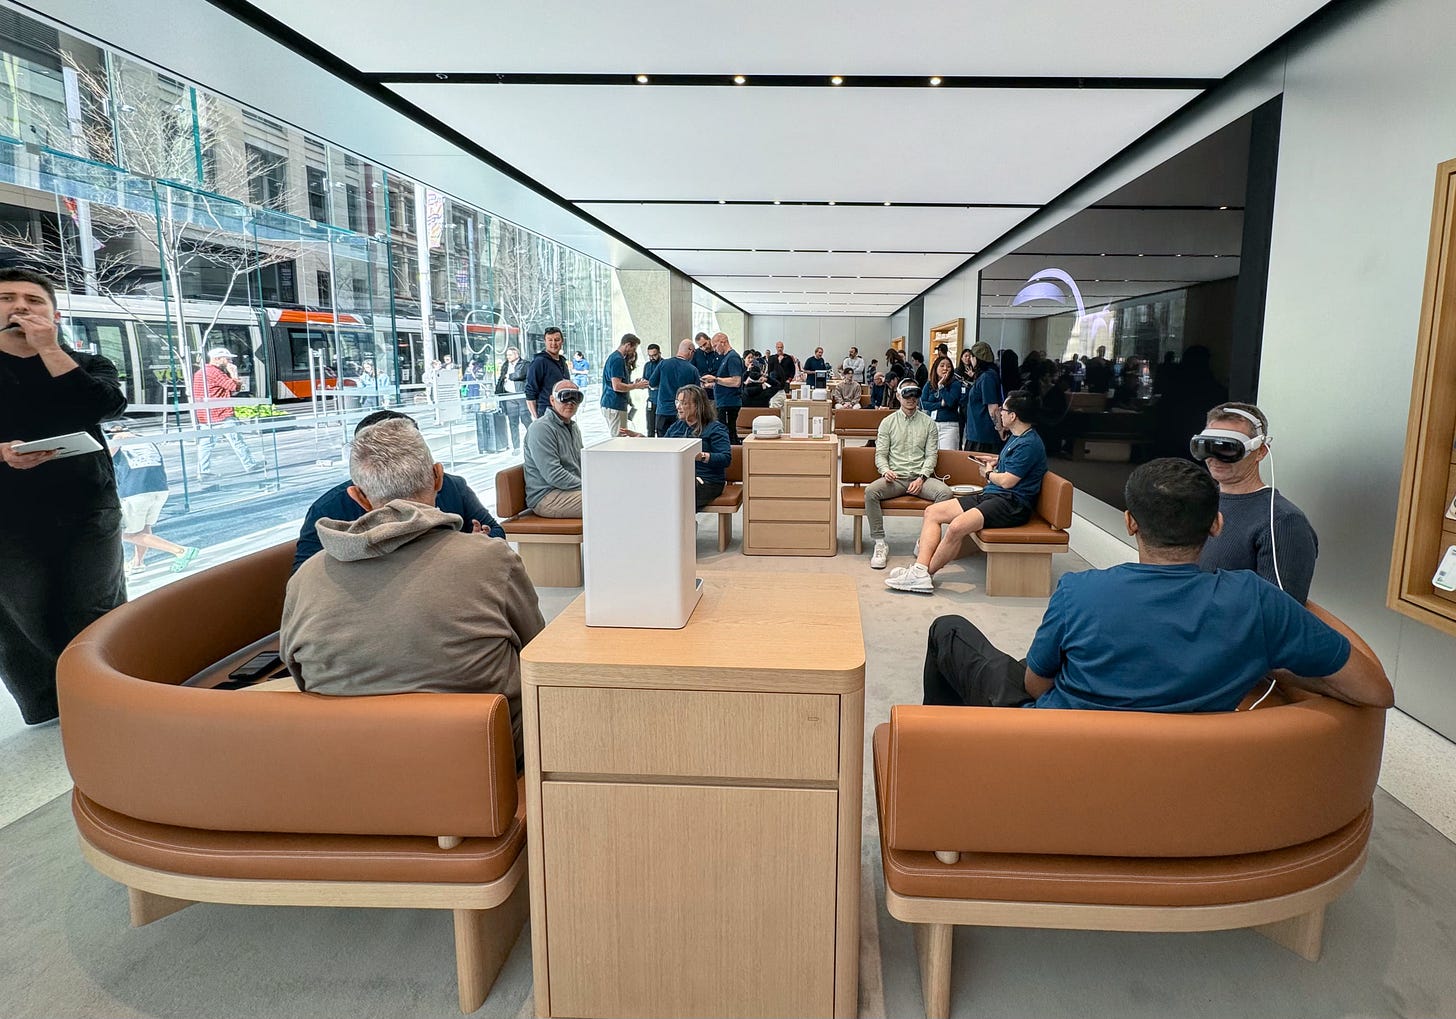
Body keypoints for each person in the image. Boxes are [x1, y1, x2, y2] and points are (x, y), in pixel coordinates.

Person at [918, 458, 1392, 713]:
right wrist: (1266, 655)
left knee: (950, 630)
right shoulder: (1258, 602)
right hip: (1181, 784)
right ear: (1216, 525)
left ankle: (953, 749)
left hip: (1058, 753)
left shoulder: (1079, 593)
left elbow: (1034, 685)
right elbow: (1376, 692)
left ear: (1129, 522)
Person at [280, 418, 543, 754]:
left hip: (348, 760)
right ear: (437, 476)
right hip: (482, 756)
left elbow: (299, 675)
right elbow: (535, 650)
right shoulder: (492, 560)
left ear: (359, 496)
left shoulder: (307, 578)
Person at [0, 265, 128, 725]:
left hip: (88, 507)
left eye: (34, 301)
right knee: (19, 613)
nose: (20, 307)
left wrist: (50, 350)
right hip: (8, 519)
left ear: (54, 314)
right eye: (7, 298)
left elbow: (103, 406)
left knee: (96, 603)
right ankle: (50, 705)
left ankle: (113, 691)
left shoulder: (85, 363)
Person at [293, 410, 504, 573]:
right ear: (360, 496)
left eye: (406, 449)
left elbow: (495, 530)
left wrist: (479, 542)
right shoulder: (328, 509)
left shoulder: (454, 487)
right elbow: (305, 573)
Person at [888, 389, 1046, 594]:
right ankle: (920, 569)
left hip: (1011, 504)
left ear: (1013, 416)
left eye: (1003, 410)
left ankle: (925, 575)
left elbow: (1007, 481)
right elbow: (1010, 465)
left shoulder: (1029, 443)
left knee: (956, 527)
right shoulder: (1017, 437)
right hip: (994, 496)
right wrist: (996, 462)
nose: (1000, 413)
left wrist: (988, 474)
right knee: (932, 512)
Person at [1193, 403, 1319, 603]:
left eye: (1227, 448)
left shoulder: (1283, 522)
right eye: (1206, 446)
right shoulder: (1197, 502)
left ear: (1260, 451)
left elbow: (1279, 613)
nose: (1214, 458)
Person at [865, 379, 955, 570]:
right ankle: (880, 542)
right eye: (906, 395)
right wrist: (885, 470)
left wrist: (922, 477)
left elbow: (932, 455)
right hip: (895, 478)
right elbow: (880, 454)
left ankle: (924, 540)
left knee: (945, 493)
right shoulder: (887, 423)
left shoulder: (928, 423)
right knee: (871, 492)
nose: (911, 399)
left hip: (919, 478)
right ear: (898, 396)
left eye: (914, 395)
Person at [107, 419, 199, 575]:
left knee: (127, 533)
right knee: (144, 527)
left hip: (135, 491)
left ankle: (180, 551)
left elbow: (105, 459)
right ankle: (138, 562)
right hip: (160, 489)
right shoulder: (144, 439)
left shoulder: (115, 442)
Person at [192, 346, 262, 478]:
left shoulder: (200, 372)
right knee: (237, 440)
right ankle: (250, 464)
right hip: (221, 413)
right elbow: (234, 387)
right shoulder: (215, 373)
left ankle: (203, 471)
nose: (230, 361)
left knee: (206, 444)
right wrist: (234, 374)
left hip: (205, 414)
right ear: (217, 359)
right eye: (227, 358)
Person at [523, 379, 585, 518]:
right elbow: (554, 474)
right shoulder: (541, 428)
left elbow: (582, 463)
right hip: (547, 496)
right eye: (564, 397)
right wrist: (587, 486)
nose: (570, 403)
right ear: (552, 400)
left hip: (569, 491)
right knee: (608, 501)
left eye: (576, 398)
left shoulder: (573, 427)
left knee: (614, 495)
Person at [665, 384, 731, 510]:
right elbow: (664, 449)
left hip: (707, 481)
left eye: (683, 403)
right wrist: (643, 440)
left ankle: (683, 527)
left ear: (697, 406)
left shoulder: (715, 428)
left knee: (677, 494)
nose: (678, 407)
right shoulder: (676, 427)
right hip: (680, 477)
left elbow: (725, 458)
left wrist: (701, 456)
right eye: (677, 402)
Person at [600, 333, 650, 437]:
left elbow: (618, 382)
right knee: (619, 437)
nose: (634, 352)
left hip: (613, 403)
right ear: (627, 345)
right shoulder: (617, 360)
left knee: (620, 436)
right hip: (615, 404)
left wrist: (633, 384)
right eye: (634, 349)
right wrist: (636, 386)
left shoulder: (615, 358)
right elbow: (617, 386)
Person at [652, 339, 703, 438]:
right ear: (690, 351)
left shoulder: (663, 364)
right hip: (682, 413)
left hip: (662, 411)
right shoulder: (692, 370)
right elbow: (697, 393)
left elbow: (652, 383)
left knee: (662, 444)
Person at [700, 332, 744, 444]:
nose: (714, 349)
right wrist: (710, 384)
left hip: (729, 403)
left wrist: (715, 379)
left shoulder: (732, 357)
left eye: (715, 346)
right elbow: (725, 382)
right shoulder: (725, 358)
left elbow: (736, 381)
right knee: (726, 430)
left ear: (723, 342)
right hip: (724, 402)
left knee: (728, 432)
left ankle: (732, 454)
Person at [961, 341, 1002, 453]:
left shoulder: (986, 377)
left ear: (977, 359)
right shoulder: (984, 376)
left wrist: (1000, 429)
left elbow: (993, 408)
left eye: (972, 357)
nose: (970, 360)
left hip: (983, 437)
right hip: (978, 433)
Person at [524, 326, 570, 419]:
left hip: (563, 412)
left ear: (562, 341)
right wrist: (537, 418)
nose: (554, 343)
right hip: (546, 414)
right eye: (550, 340)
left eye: (557, 340)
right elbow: (530, 392)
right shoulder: (539, 362)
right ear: (545, 341)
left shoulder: (562, 361)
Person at [920, 355, 965, 450]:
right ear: (936, 368)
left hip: (949, 426)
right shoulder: (929, 384)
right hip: (932, 425)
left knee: (949, 458)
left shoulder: (955, 384)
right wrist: (940, 404)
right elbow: (923, 403)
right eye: (942, 365)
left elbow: (950, 402)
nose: (945, 368)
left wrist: (941, 386)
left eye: (948, 366)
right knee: (932, 456)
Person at [494, 345, 531, 450]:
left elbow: (520, 375)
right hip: (509, 395)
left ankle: (532, 442)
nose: (508, 357)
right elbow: (501, 377)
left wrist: (509, 376)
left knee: (526, 420)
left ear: (516, 354)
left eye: (510, 355)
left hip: (521, 395)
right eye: (507, 355)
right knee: (512, 422)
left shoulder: (525, 364)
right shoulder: (506, 365)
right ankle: (516, 447)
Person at [642, 342, 665, 436]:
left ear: (659, 353)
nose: (652, 358)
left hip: (662, 401)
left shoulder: (664, 364)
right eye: (650, 355)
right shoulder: (647, 365)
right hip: (651, 399)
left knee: (661, 428)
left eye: (654, 355)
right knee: (650, 428)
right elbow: (645, 379)